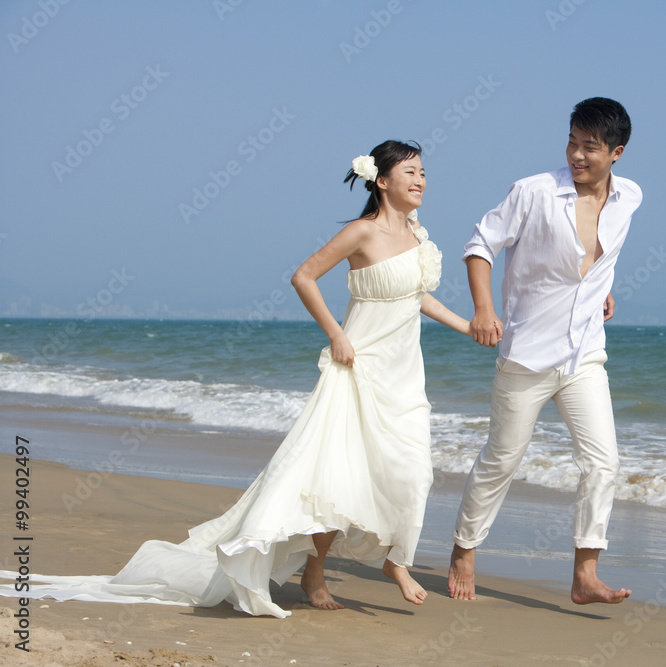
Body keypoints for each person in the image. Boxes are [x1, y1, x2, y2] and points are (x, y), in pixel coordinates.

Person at [0, 140, 473, 618]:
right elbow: (304, 277)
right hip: (358, 367)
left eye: (423, 172)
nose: (420, 180)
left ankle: (392, 555)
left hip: (404, 375)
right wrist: (336, 335)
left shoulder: (417, 235)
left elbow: (415, 297)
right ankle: (343, 567)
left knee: (413, 470)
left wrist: (467, 325)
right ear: (382, 180)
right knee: (338, 475)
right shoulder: (361, 233)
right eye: (410, 171)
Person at [447, 98, 640, 605]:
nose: (578, 155)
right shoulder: (533, 192)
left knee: (603, 463)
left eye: (590, 148)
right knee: (502, 460)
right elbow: (479, 245)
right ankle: (464, 548)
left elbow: (599, 256)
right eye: (572, 142)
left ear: (616, 153)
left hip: (584, 358)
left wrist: (601, 289)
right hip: (527, 354)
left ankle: (585, 573)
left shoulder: (631, 198)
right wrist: (483, 309)